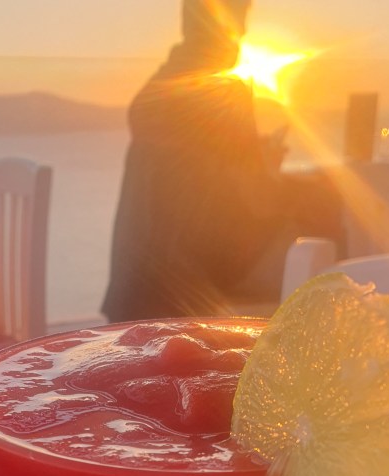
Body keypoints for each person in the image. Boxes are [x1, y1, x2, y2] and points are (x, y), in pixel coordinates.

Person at [101, 0, 343, 322]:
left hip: (133, 286)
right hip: (195, 282)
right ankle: (317, 334)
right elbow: (260, 199)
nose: (242, 33)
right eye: (237, 23)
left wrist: (254, 156)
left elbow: (191, 170)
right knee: (325, 210)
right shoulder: (226, 92)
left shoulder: (157, 88)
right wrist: (277, 170)